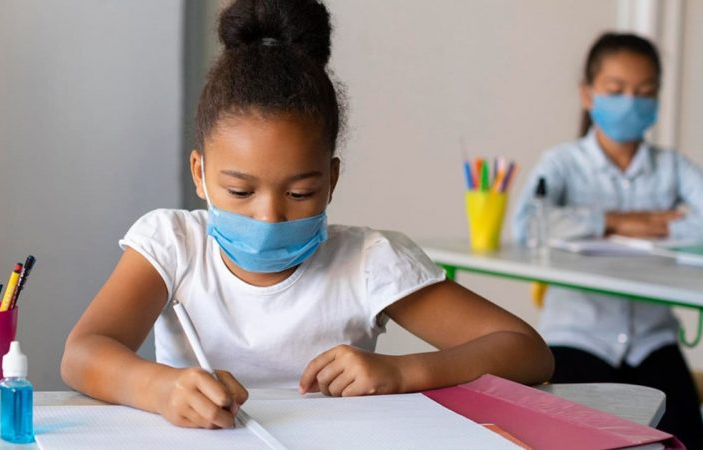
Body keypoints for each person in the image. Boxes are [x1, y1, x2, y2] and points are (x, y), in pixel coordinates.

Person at [62, 0, 553, 430]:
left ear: (332, 180)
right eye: (239, 190)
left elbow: (526, 351)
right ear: (200, 173)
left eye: (300, 193)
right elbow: (83, 354)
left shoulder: (369, 262)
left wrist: (405, 372)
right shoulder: (172, 244)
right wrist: (159, 388)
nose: (269, 215)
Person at [512, 32, 703, 446]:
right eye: (616, 90)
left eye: (645, 91)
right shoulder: (562, 163)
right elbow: (525, 228)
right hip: (578, 335)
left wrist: (660, 226)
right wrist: (615, 220)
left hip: (653, 338)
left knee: (686, 437)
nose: (630, 102)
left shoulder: (671, 167)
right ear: (588, 93)